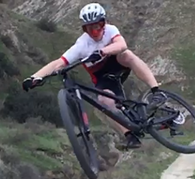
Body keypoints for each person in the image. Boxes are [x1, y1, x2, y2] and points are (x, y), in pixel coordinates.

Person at [21, 3, 167, 149]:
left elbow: (121, 44)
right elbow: (59, 62)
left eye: (97, 25)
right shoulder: (82, 44)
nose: (94, 31)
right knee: (103, 101)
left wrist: (103, 51)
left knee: (127, 55)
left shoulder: (110, 30)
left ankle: (156, 92)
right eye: (89, 28)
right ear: (84, 29)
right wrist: (35, 77)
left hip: (117, 64)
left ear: (104, 23)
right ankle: (129, 135)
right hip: (102, 77)